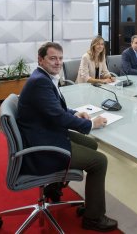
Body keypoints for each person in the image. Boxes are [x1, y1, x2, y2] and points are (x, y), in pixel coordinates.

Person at [17, 42, 118, 232]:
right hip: (43, 146)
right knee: (100, 161)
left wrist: (74, 114)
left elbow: (56, 109)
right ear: (41, 59)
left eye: (60, 58)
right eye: (52, 58)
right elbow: (57, 116)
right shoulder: (40, 82)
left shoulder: (43, 77)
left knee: (90, 144)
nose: (58, 63)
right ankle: (93, 218)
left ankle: (53, 188)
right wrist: (90, 124)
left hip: (45, 132)